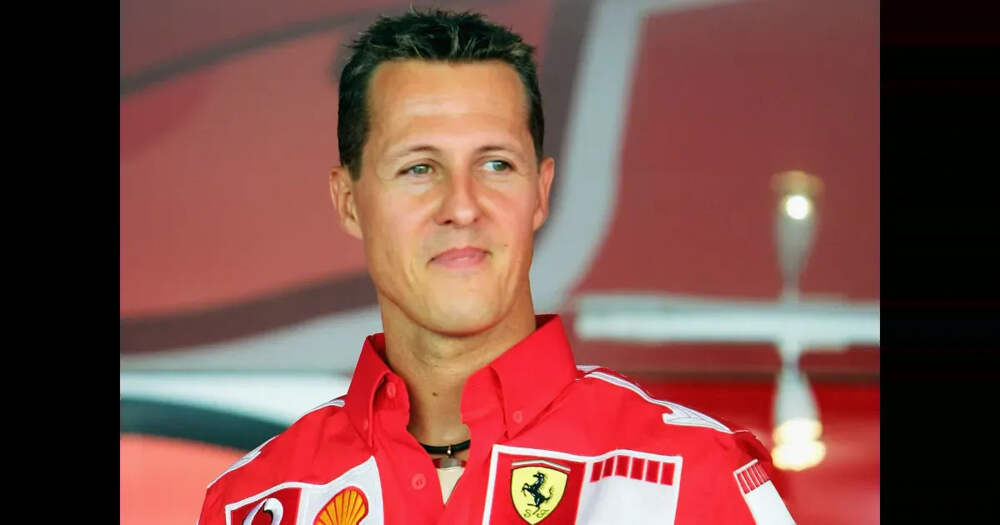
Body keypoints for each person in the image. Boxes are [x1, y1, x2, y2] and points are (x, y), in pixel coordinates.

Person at [198, 8, 796, 525]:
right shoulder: (254, 503)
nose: (462, 207)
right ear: (348, 201)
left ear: (541, 192)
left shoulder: (694, 475)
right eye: (419, 168)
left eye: (496, 165)